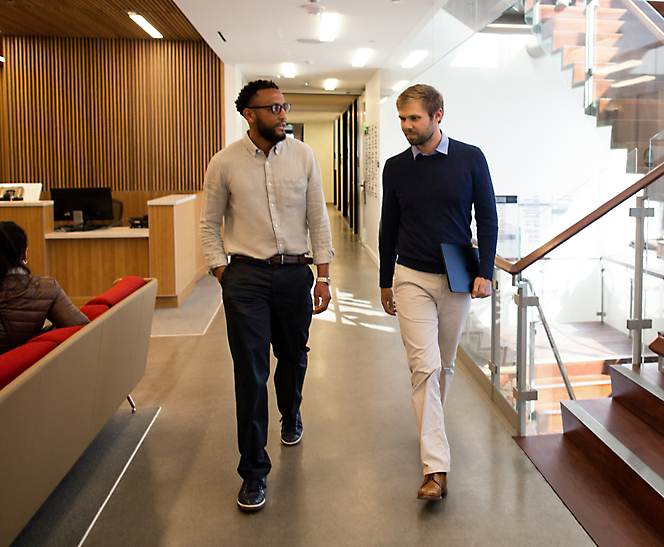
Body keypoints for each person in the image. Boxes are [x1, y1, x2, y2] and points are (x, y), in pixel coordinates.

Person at [199, 80, 334, 512]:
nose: (282, 114)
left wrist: (324, 275)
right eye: (273, 108)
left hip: (296, 275)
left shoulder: (303, 155)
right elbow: (208, 225)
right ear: (249, 114)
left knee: (293, 356)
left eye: (284, 106)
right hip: (247, 278)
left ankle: (290, 409)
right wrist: (223, 272)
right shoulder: (224, 163)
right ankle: (254, 470)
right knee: (251, 372)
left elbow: (318, 216)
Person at [379, 84, 498, 501]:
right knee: (424, 367)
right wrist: (384, 278)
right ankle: (436, 469)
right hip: (410, 273)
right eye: (402, 119)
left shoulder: (470, 158)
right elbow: (387, 227)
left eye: (414, 118)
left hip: (459, 272)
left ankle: (431, 433)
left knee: (444, 366)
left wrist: (486, 271)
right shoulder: (395, 166)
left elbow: (487, 216)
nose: (407, 126)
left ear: (438, 116)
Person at [0, 221, 89, 354]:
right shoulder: (45, 287)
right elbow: (83, 331)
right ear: (24, 254)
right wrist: (43, 338)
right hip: (28, 367)